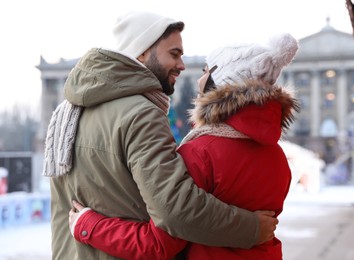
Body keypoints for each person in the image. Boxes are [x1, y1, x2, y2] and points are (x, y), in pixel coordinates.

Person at [43, 10, 278, 260]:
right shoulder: (141, 114)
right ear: (142, 51)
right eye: (174, 54)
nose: (182, 65)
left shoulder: (66, 113)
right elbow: (176, 211)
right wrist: (252, 228)